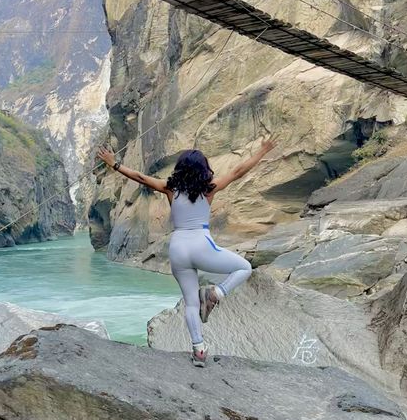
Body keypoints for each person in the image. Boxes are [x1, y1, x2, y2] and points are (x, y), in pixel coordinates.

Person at [97, 136, 278, 367]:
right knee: (244, 267)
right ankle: (216, 294)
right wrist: (262, 150)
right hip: (201, 245)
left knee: (191, 302)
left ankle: (199, 350)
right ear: (204, 170)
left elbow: (140, 178)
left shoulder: (169, 188)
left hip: (177, 249)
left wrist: (114, 164)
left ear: (180, 168)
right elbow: (238, 171)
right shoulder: (209, 189)